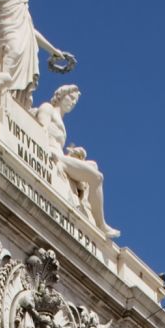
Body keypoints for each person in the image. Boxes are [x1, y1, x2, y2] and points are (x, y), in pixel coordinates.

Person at [34, 85, 119, 237]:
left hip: (62, 156)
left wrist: (74, 154)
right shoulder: (47, 108)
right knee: (97, 177)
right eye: (71, 98)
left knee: (93, 165)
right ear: (61, 95)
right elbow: (41, 129)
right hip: (54, 155)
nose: (73, 103)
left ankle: (87, 210)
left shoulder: (62, 122)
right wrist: (49, 150)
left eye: (75, 101)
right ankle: (101, 224)